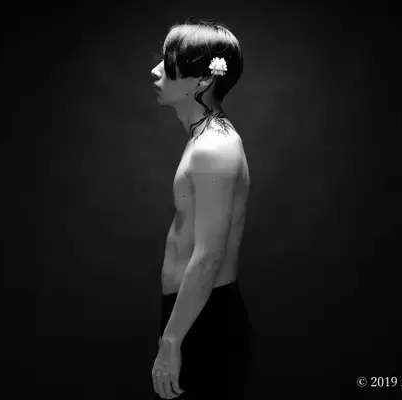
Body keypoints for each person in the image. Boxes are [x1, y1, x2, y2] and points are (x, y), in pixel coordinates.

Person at [150, 18, 254, 399]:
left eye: (168, 64)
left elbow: (209, 255)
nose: (156, 70)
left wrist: (171, 341)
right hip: (193, 313)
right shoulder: (204, 139)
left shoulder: (214, 149)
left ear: (203, 80)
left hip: (205, 320)